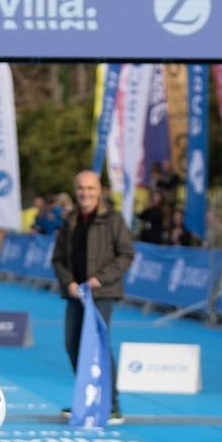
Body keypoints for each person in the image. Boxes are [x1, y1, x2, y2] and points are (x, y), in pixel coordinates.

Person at [51, 170, 135, 425]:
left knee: (98, 348)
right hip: (76, 294)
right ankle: (88, 398)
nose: (85, 193)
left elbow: (126, 254)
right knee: (73, 345)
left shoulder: (113, 219)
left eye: (90, 188)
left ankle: (111, 404)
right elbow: (58, 259)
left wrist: (101, 278)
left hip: (101, 293)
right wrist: (69, 283)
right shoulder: (70, 220)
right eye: (81, 188)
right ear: (76, 191)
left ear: (99, 190)